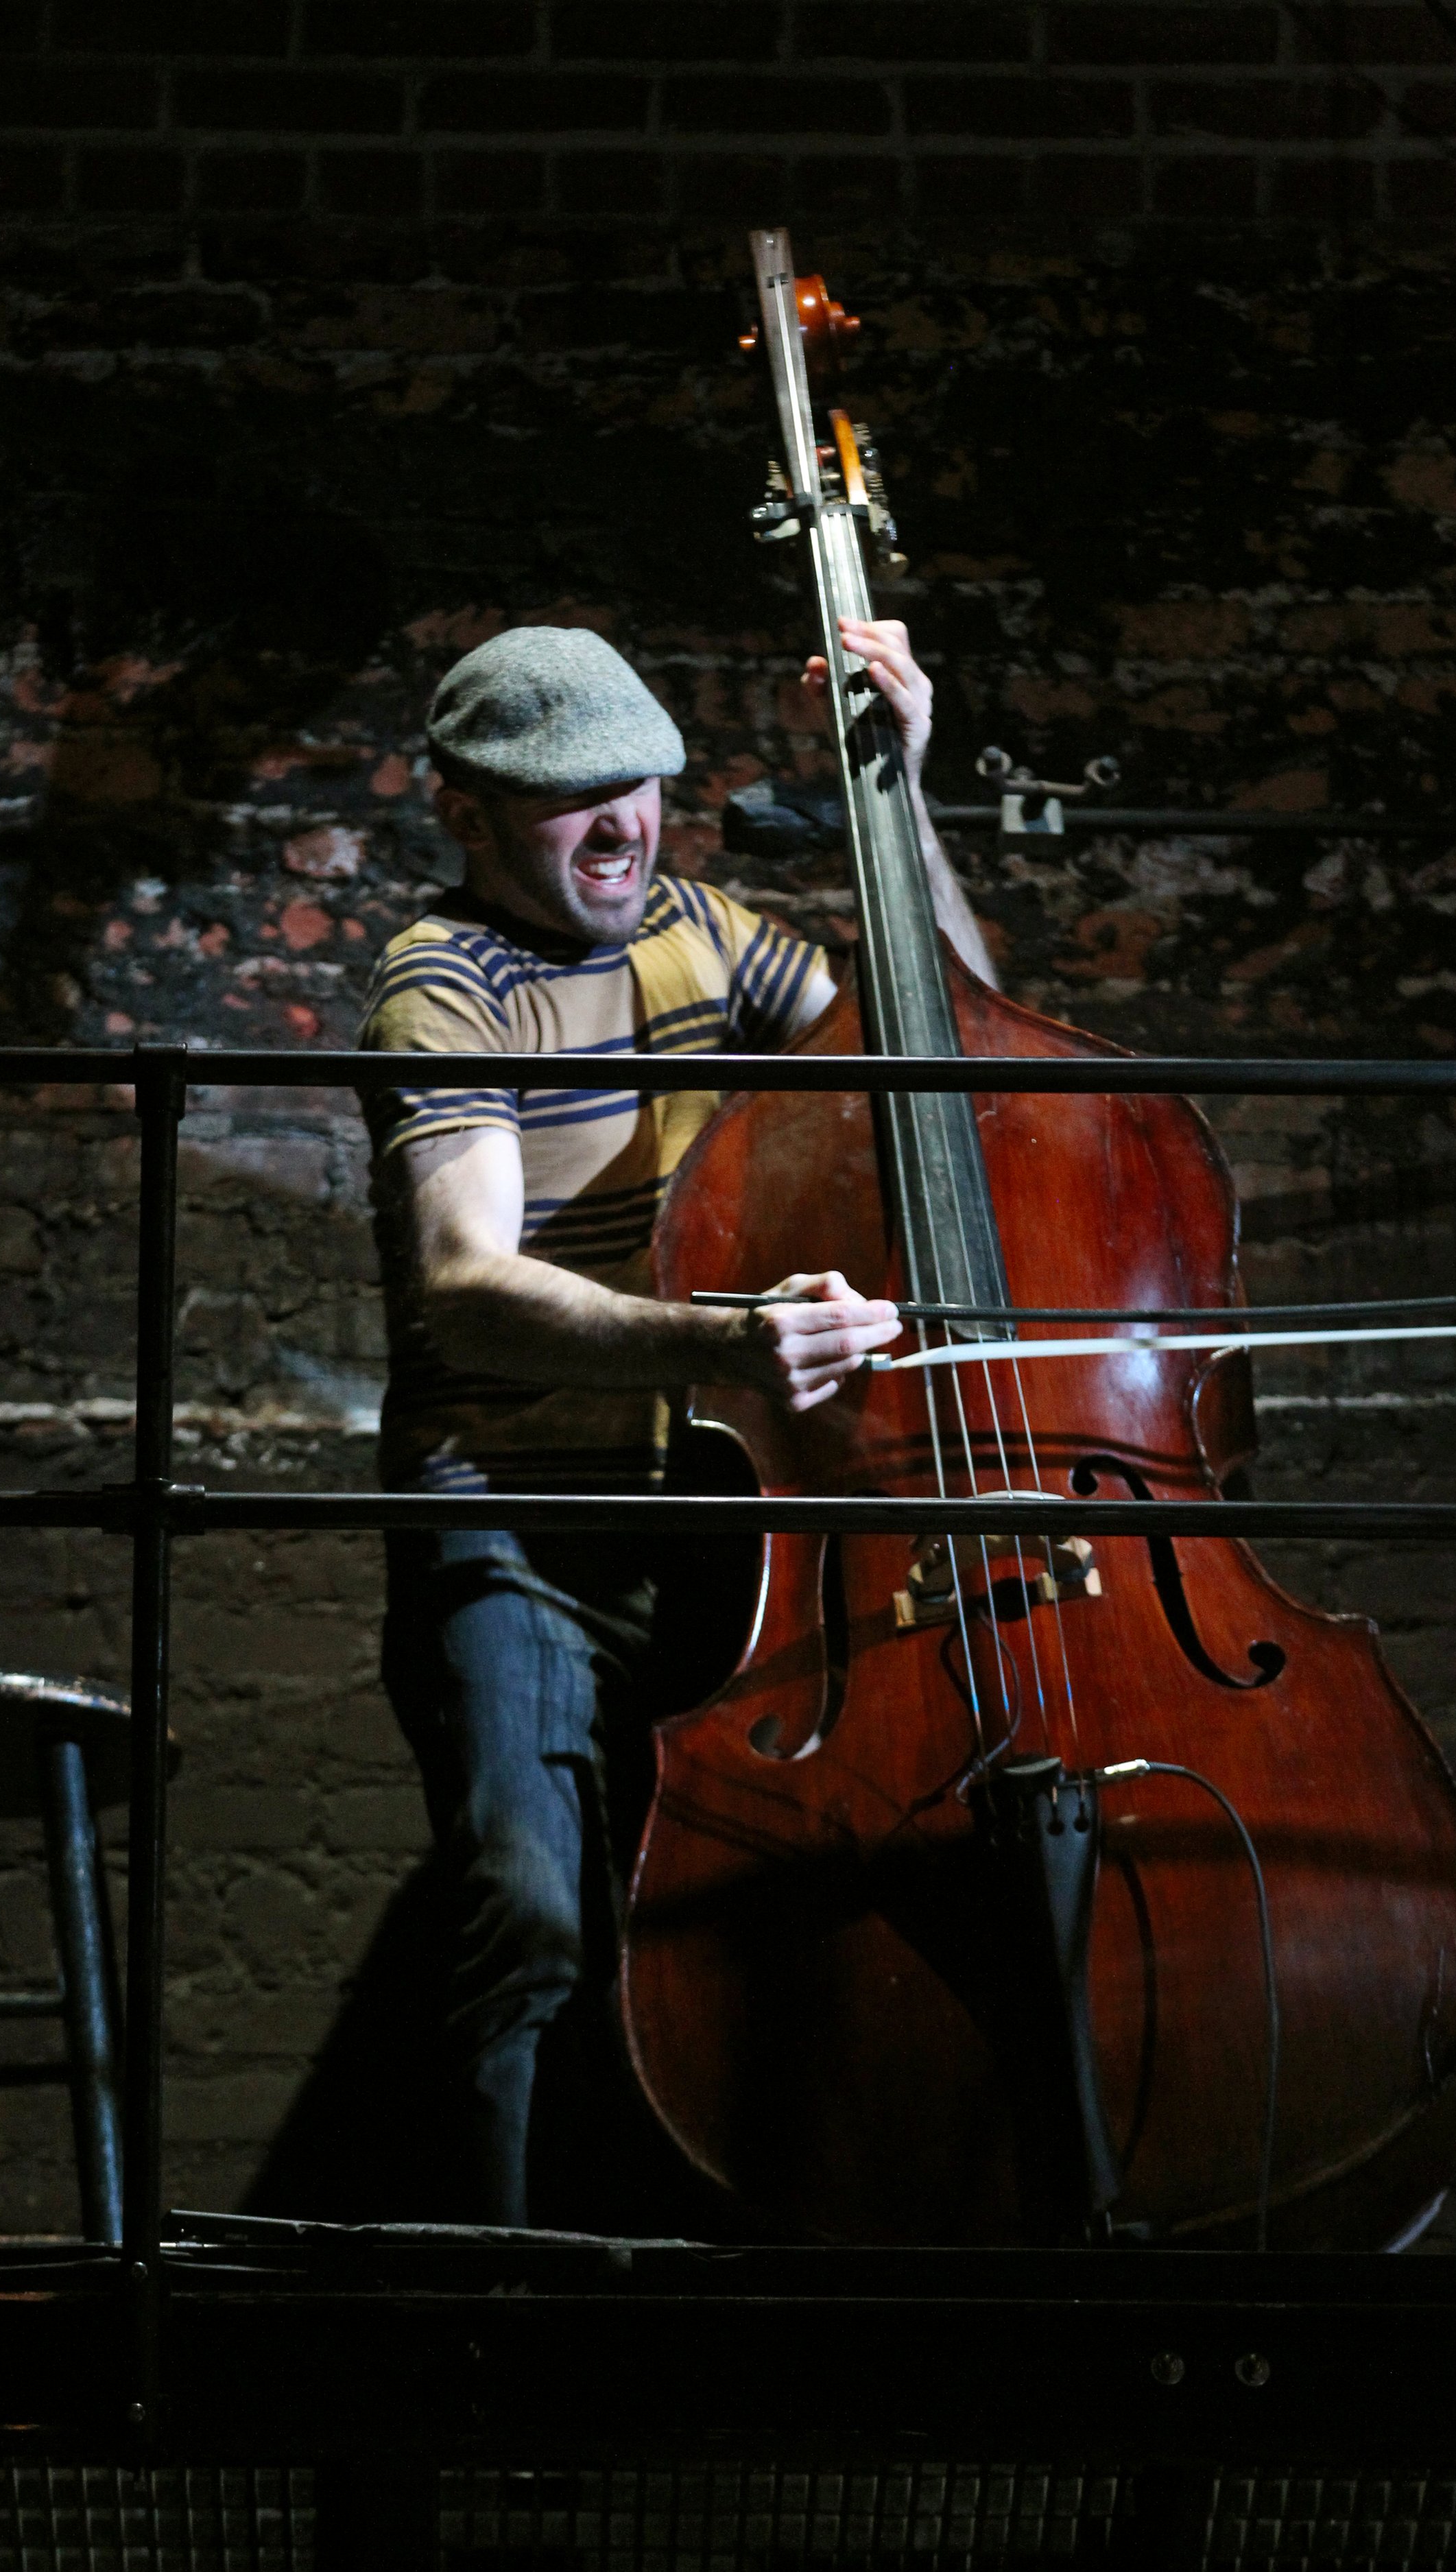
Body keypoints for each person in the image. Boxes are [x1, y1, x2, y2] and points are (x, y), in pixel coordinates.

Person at [357, 616, 996, 2226]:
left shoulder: (708, 945)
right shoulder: (446, 983)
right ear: (466, 809)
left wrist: (895, 791)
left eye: (639, 788)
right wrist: (729, 1344)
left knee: (763, 1915)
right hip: (510, 1520)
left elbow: (960, 1041)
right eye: (571, 800)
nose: (621, 827)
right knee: (526, 1909)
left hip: (717, 1523)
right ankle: (485, 2344)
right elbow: (463, 1279)